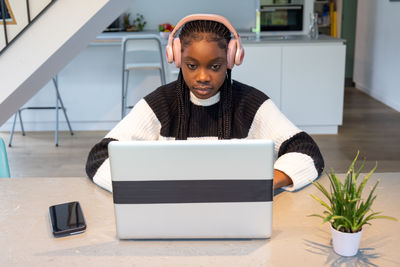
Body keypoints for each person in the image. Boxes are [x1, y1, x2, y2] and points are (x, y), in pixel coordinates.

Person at [85, 14, 324, 192]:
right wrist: (149, 190)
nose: (202, 77)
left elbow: (307, 152)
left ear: (231, 60)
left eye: (215, 66)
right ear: (177, 58)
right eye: (191, 65)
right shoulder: (160, 104)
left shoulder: (251, 104)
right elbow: (99, 158)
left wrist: (260, 182)